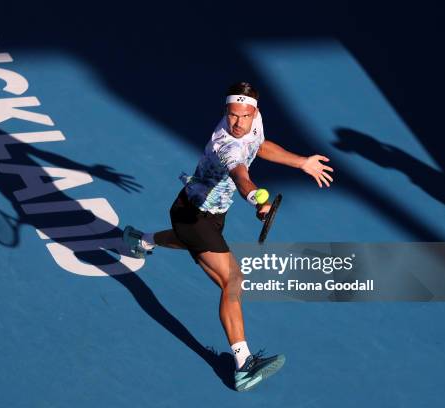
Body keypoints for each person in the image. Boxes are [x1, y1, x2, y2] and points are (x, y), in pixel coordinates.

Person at [124, 81, 334, 391]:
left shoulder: (253, 123)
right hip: (193, 215)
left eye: (245, 116)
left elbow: (259, 145)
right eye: (233, 116)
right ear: (226, 111)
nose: (238, 123)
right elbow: (241, 175)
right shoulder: (226, 144)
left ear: (255, 112)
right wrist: (255, 200)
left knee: (189, 242)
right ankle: (244, 364)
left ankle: (141, 240)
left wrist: (301, 161)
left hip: (209, 214)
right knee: (232, 279)